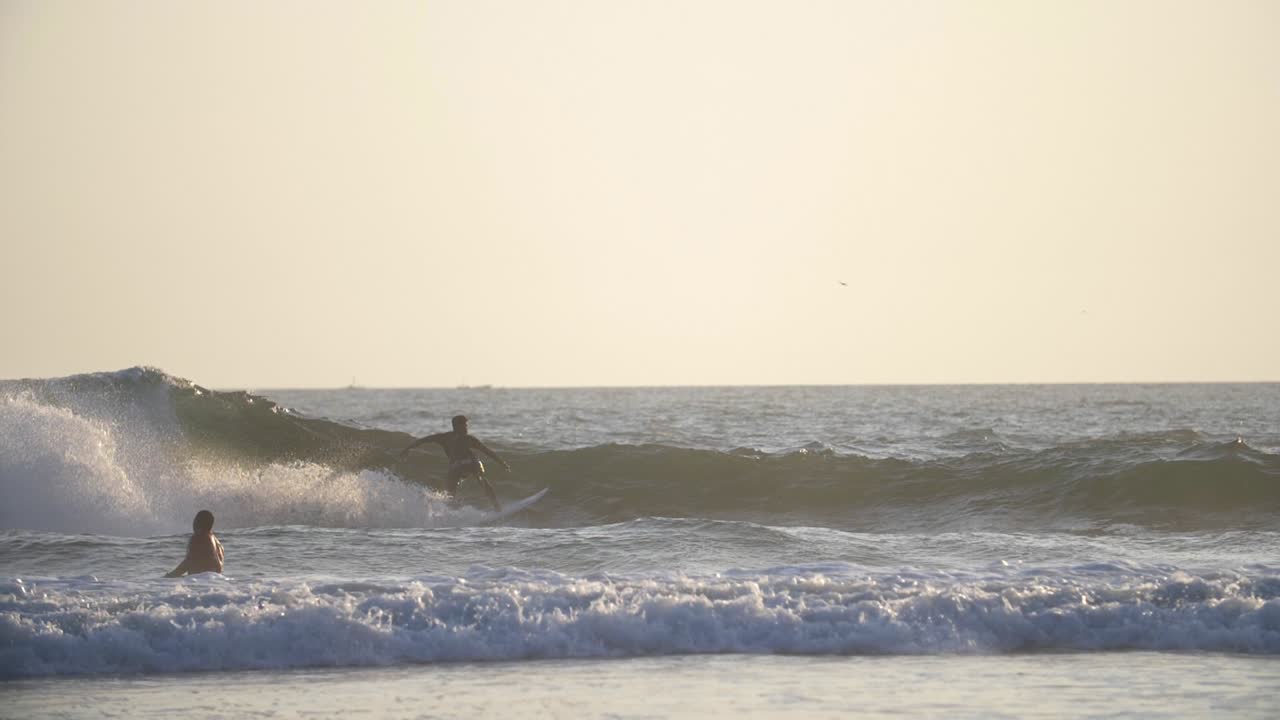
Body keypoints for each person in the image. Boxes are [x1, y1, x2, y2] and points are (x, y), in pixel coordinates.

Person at [399, 415, 509, 510]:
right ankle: (496, 508)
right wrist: (502, 463)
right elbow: (487, 451)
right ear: (456, 426)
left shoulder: (445, 437)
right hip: (464, 465)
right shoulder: (465, 439)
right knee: (474, 482)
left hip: (467, 465)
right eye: (464, 425)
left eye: (466, 425)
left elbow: (422, 440)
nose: (466, 428)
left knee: (475, 480)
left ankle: (495, 507)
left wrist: (406, 449)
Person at [165, 510, 225, 577]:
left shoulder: (198, 536)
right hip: (217, 582)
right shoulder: (219, 545)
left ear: (197, 522)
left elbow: (189, 561)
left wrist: (170, 576)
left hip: (201, 582)